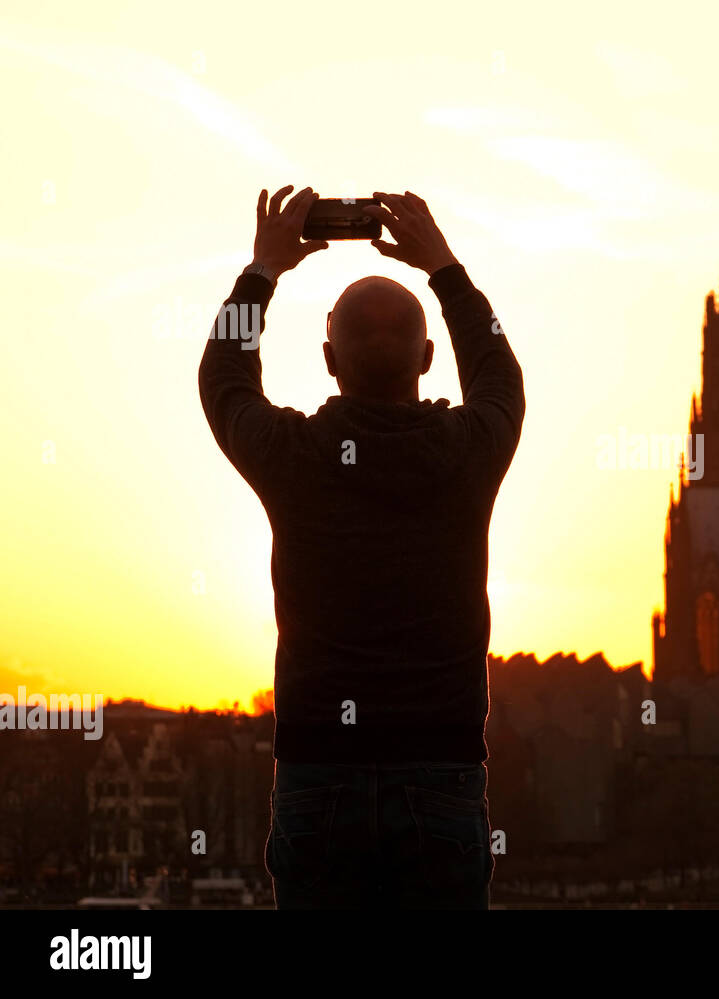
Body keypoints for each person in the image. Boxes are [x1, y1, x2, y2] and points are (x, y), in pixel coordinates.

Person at [198, 186, 524, 908]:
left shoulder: (295, 457)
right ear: (429, 356)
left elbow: (223, 379)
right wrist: (444, 268)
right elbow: (500, 375)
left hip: (321, 781)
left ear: (327, 358)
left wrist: (263, 270)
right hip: (441, 782)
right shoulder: (469, 452)